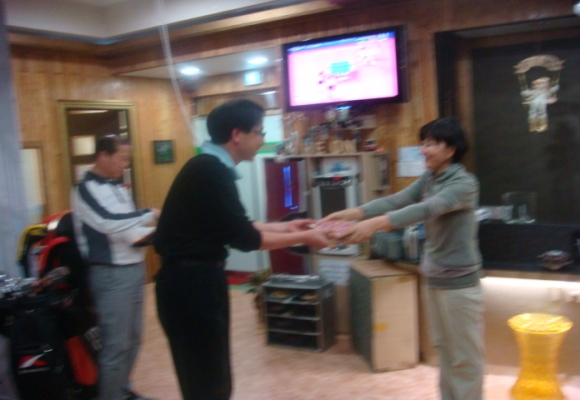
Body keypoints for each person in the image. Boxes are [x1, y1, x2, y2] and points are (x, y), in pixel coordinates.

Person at [153, 99, 332, 400]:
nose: (262, 140)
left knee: (211, 375)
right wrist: (306, 238)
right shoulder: (209, 171)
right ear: (237, 135)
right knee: (207, 382)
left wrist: (288, 227)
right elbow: (246, 239)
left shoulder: (210, 167)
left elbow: (237, 225)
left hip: (194, 283)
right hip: (189, 287)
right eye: (259, 132)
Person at [323, 118, 484, 400]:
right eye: (423, 143)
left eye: (431, 144)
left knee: (465, 358)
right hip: (434, 278)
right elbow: (396, 200)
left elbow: (427, 209)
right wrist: (352, 213)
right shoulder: (430, 178)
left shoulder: (464, 184)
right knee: (444, 349)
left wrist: (374, 225)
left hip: (460, 284)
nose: (423, 150)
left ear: (450, 150)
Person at [71, 134, 160, 400]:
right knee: (115, 345)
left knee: (133, 340)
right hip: (110, 274)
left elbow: (128, 230)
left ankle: (122, 390)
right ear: (103, 156)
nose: (125, 164)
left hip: (134, 269)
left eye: (127, 159)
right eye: (121, 159)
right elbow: (108, 222)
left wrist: (156, 232)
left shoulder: (120, 188)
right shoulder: (84, 189)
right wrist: (149, 214)